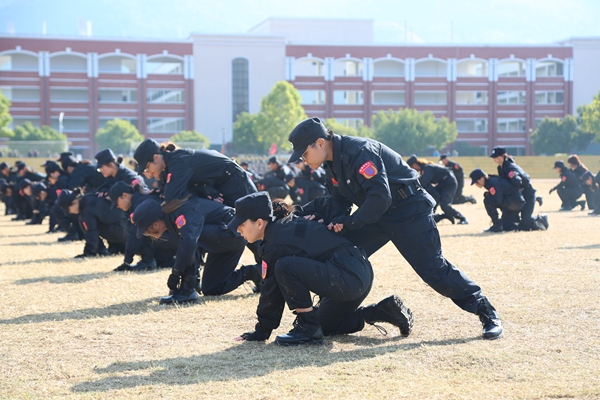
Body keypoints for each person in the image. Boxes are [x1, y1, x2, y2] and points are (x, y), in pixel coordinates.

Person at [287, 117, 503, 340]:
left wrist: (350, 223)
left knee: (434, 270)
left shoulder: (360, 152)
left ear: (320, 143)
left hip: (408, 210)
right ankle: (327, 314)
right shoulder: (331, 164)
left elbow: (380, 196)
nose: (303, 159)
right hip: (377, 215)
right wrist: (325, 218)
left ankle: (486, 312)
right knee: (342, 250)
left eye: (304, 153)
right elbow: (339, 201)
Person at [229, 192, 413, 346]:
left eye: (241, 225)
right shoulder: (285, 223)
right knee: (325, 326)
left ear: (259, 223)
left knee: (284, 267)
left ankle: (307, 329)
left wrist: (261, 332)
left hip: (346, 277)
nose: (238, 230)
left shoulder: (275, 242)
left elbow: (271, 290)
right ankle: (384, 310)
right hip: (358, 272)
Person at [132, 196, 262, 304]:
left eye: (147, 231)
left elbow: (190, 243)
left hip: (234, 233)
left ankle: (188, 290)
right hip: (225, 237)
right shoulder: (172, 215)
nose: (148, 234)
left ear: (155, 224)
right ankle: (254, 272)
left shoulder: (182, 213)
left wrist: (176, 273)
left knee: (189, 239)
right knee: (212, 288)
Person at [133, 139, 256, 206]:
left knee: (258, 228)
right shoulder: (169, 165)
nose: (148, 172)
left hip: (236, 182)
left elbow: (171, 196)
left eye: (147, 168)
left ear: (155, 158)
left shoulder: (178, 162)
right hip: (224, 185)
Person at [109, 181, 178, 271]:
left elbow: (134, 236)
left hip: (169, 236)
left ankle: (147, 262)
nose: (118, 206)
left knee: (135, 229)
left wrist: (127, 261)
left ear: (124, 195)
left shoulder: (139, 205)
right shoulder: (143, 197)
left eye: (117, 203)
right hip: (175, 236)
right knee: (162, 262)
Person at [470, 168, 547, 233]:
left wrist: (488, 196)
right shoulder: (491, 182)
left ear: (482, 178)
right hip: (514, 202)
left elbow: (497, 201)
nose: (476, 184)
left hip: (514, 203)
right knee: (507, 226)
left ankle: (497, 225)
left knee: (487, 200)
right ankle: (536, 223)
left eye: (476, 181)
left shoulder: (492, 183)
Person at [57, 189, 128, 258]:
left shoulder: (87, 210)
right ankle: (114, 247)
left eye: (68, 209)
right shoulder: (89, 198)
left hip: (118, 233)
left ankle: (99, 250)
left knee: (83, 222)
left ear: (74, 202)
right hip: (123, 230)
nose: (70, 212)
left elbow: (91, 231)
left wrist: (89, 251)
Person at [490, 147, 544, 231]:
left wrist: (519, 186)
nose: (494, 158)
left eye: (496, 156)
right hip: (517, 196)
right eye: (493, 156)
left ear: (503, 156)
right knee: (507, 224)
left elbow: (526, 178)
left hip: (527, 194)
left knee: (526, 219)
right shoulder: (500, 168)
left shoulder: (510, 166)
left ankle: (542, 219)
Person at [406, 155, 468, 225]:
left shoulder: (427, 168)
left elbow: (423, 182)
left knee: (445, 206)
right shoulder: (425, 169)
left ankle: (463, 218)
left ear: (414, 165)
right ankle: (438, 217)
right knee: (434, 198)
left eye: (411, 167)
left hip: (449, 183)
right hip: (442, 184)